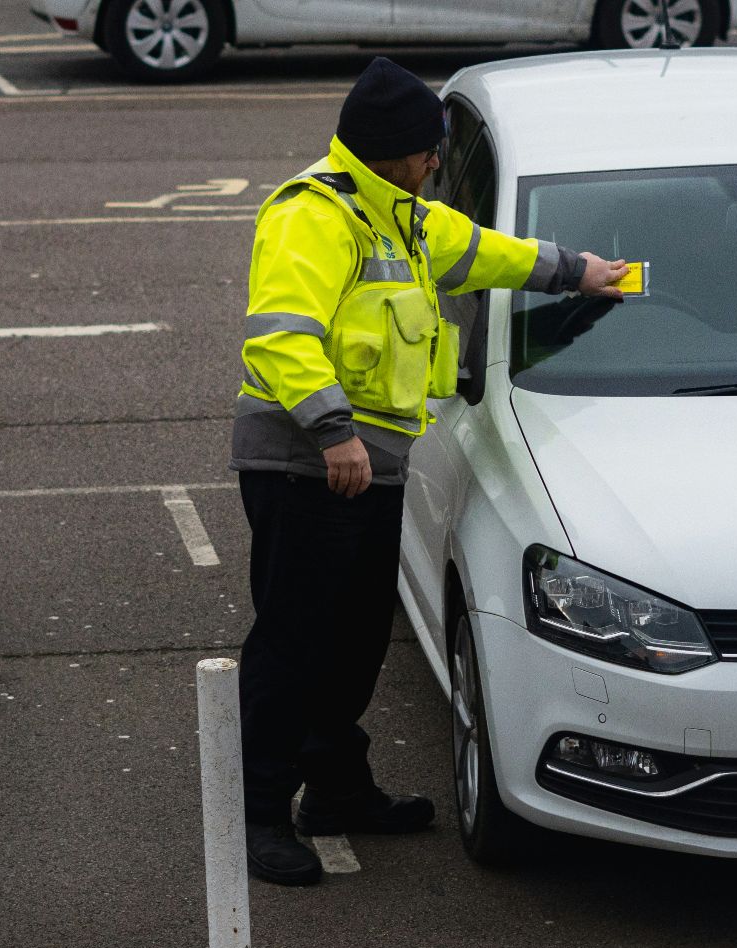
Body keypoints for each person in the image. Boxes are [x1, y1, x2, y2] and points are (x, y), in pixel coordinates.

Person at [230, 56, 628, 886]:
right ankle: (260, 816)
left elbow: (485, 251)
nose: (437, 163)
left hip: (368, 468)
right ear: (386, 153)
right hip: (307, 467)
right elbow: (280, 336)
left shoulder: (403, 214)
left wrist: (579, 272)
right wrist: (331, 432)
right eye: (426, 151)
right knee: (294, 645)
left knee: (352, 645)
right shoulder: (315, 216)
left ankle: (336, 791)